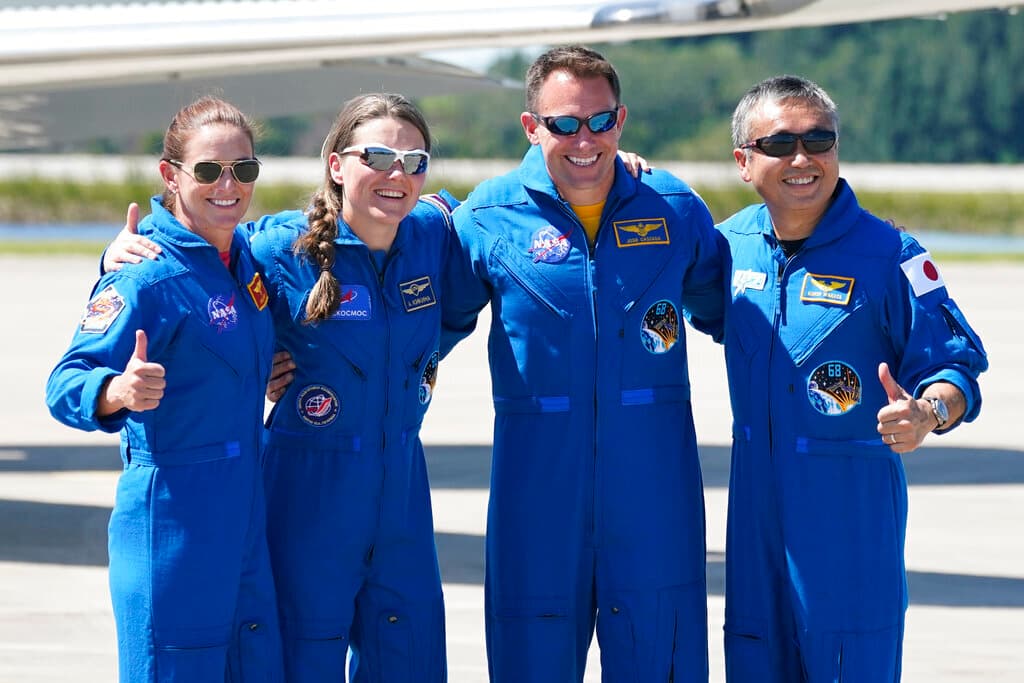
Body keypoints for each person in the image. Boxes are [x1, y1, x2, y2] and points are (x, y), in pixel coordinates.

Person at [104, 93, 458, 682]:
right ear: (337, 165)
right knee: (301, 658)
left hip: (401, 488)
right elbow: (194, 259)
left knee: (412, 653)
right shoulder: (278, 247)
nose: (397, 173)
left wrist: (611, 162)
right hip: (306, 488)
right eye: (377, 155)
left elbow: (513, 214)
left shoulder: (432, 233)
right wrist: (117, 258)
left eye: (414, 159)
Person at [440, 44, 725, 682]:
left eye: (600, 122)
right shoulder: (486, 216)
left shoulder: (673, 208)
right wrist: (293, 353)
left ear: (621, 120)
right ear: (531, 126)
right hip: (536, 496)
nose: (584, 140)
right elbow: (415, 326)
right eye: (565, 124)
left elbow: (747, 312)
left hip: (655, 496)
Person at [717, 74, 988, 683]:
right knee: (755, 658)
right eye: (780, 143)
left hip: (848, 515)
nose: (803, 158)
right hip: (754, 512)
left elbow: (955, 365)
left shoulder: (891, 255)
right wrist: (625, 173)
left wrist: (928, 413)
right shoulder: (725, 248)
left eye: (819, 139)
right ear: (743, 161)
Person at [45, 96, 285, 681]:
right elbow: (64, 383)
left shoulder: (245, 254)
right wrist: (117, 392)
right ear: (170, 175)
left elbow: (335, 219)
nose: (227, 185)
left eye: (244, 170)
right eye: (208, 171)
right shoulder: (145, 272)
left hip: (246, 514)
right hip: (174, 521)